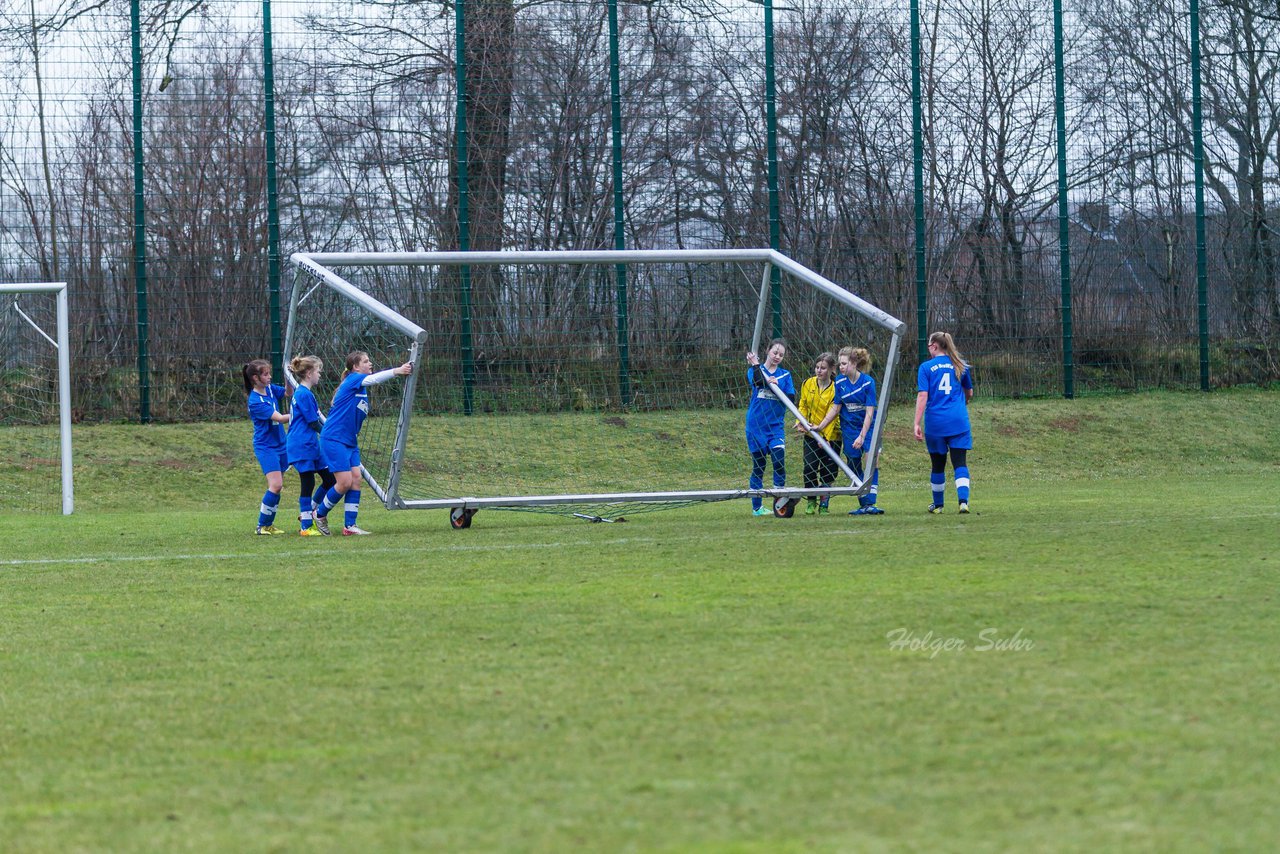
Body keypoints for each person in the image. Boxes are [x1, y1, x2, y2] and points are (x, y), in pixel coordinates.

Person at [313, 351, 413, 536]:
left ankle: (350, 526)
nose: (370, 363)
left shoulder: (360, 387)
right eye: (366, 361)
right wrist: (398, 371)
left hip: (349, 442)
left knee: (355, 480)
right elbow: (373, 379)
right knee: (343, 483)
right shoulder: (354, 379)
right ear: (356, 367)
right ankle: (319, 514)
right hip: (334, 439)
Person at [812, 346, 883, 515]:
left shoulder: (868, 382)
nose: (840, 367)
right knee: (853, 463)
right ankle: (864, 503)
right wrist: (820, 426)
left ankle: (870, 502)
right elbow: (835, 408)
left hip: (868, 428)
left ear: (854, 363)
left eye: (844, 364)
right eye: (840, 364)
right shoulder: (840, 383)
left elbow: (869, 413)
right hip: (849, 429)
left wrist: (862, 436)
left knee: (872, 460)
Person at [913, 331, 974, 514]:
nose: (928, 348)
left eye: (929, 345)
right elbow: (969, 392)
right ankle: (963, 502)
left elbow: (923, 395)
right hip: (958, 421)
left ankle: (938, 506)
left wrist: (916, 423)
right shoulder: (960, 365)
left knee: (938, 464)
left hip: (936, 423)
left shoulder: (925, 367)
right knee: (960, 463)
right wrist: (960, 405)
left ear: (935, 346)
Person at [287, 355, 338, 536]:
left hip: (310, 444)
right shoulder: (303, 394)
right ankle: (306, 526)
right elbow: (313, 422)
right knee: (307, 482)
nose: (320, 375)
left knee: (330, 479)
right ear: (309, 373)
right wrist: (331, 435)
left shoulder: (304, 393)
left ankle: (312, 512)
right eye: (318, 371)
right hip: (301, 444)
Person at [744, 339, 796, 516]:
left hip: (775, 427)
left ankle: (779, 500)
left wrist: (776, 385)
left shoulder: (785, 375)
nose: (777, 357)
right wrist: (757, 366)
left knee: (779, 461)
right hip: (756, 426)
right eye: (775, 352)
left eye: (781, 355)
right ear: (767, 351)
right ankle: (757, 508)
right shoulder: (754, 370)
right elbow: (758, 381)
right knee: (759, 466)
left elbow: (790, 398)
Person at [244, 359, 291, 535]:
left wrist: (289, 376)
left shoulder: (270, 389)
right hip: (266, 447)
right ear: (255, 378)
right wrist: (301, 412)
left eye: (270, 373)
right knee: (276, 484)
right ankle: (261, 525)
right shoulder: (255, 401)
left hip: (281, 444)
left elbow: (288, 392)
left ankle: (268, 525)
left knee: (278, 486)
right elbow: (278, 418)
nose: (270, 377)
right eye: (265, 374)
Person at [793, 352, 840, 515]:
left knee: (828, 471)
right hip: (811, 436)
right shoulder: (808, 383)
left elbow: (833, 415)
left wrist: (825, 436)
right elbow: (803, 405)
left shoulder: (836, 389)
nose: (819, 371)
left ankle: (824, 504)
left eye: (823, 368)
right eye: (817, 367)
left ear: (832, 369)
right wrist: (801, 421)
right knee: (809, 468)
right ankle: (811, 501)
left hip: (831, 436)